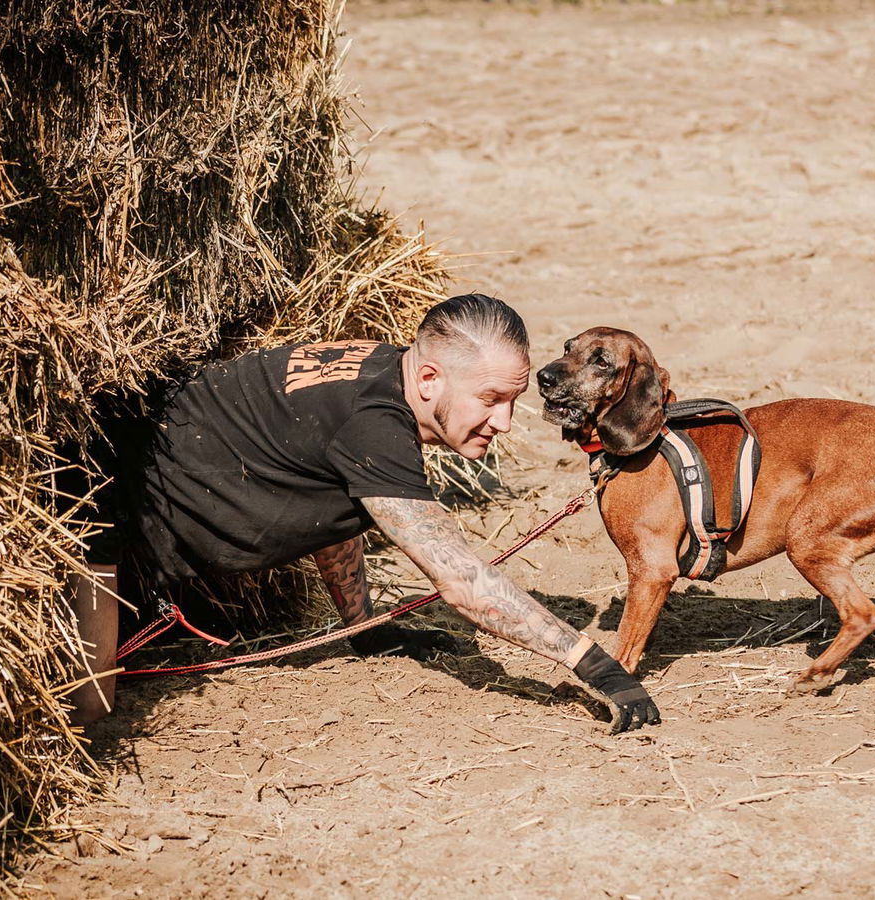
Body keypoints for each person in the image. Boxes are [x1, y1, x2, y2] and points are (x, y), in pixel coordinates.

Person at [64, 293, 660, 735]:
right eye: (489, 400)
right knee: (92, 718)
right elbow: (463, 583)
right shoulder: (376, 427)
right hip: (95, 524)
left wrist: (367, 626)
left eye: (512, 399)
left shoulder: (382, 373)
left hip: (142, 485)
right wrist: (593, 663)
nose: (504, 422)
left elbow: (333, 498)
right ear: (430, 378)